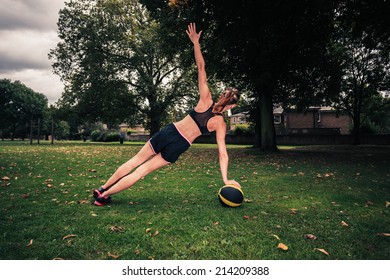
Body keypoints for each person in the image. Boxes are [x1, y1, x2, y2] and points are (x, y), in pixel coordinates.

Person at [93, 23, 241, 206]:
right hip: (180, 145)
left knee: (135, 161)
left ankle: (103, 189)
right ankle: (103, 197)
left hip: (171, 131)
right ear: (232, 106)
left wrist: (196, 42)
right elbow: (222, 153)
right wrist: (226, 179)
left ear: (221, 96)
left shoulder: (206, 99)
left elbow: (201, 66)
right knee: (141, 172)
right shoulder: (220, 124)